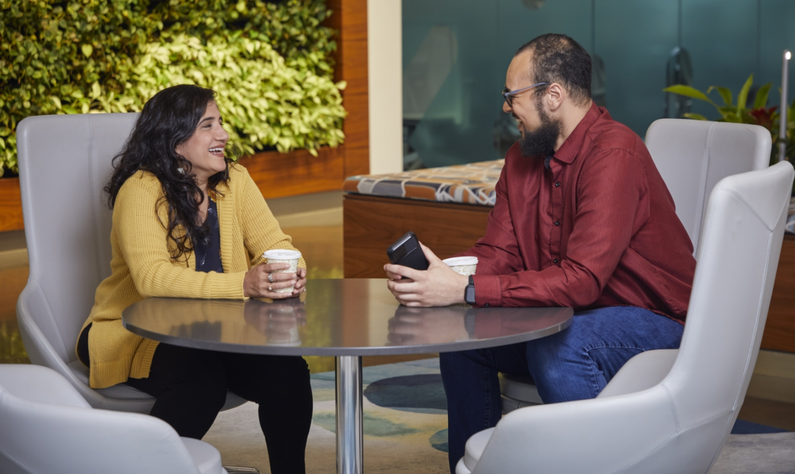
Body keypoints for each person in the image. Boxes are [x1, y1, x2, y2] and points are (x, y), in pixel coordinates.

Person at [383, 34, 696, 473]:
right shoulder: (521, 159)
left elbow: (582, 280)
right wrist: (444, 275)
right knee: (463, 340)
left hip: (654, 318)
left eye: (513, 96)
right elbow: (498, 250)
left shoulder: (614, 153)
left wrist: (467, 290)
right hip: (576, 312)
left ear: (554, 95)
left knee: (561, 346)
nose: (506, 108)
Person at [76, 85, 312, 474]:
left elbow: (277, 243)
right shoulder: (141, 188)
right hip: (136, 331)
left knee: (287, 373)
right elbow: (152, 278)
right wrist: (245, 285)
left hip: (218, 333)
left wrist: (292, 269)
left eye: (220, 122)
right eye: (208, 125)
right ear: (175, 140)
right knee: (201, 384)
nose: (223, 134)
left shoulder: (235, 179)